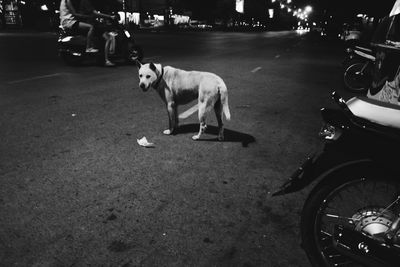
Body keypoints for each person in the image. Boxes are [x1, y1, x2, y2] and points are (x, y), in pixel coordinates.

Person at [79, 0, 117, 66]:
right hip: (90, 23)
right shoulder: (86, 2)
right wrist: (109, 16)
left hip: (90, 22)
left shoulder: (85, 2)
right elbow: (95, 13)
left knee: (103, 32)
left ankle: (100, 57)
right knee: (108, 38)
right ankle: (107, 60)